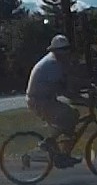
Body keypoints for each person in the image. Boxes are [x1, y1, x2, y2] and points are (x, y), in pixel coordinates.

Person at [25, 35, 89, 167]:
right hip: (38, 100)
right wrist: (83, 100)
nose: (66, 53)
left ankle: (61, 154)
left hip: (45, 99)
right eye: (63, 50)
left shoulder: (57, 61)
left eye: (66, 49)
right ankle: (48, 144)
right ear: (55, 51)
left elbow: (70, 80)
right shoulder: (52, 64)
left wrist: (89, 87)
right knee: (68, 116)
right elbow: (64, 90)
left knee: (73, 116)